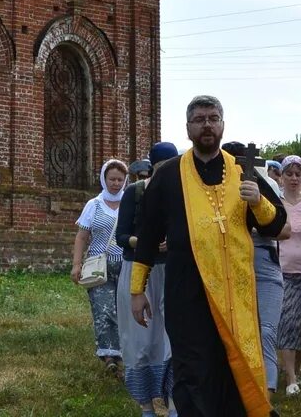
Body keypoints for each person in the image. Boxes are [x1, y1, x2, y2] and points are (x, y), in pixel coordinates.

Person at [131, 95, 287, 417]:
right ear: (188, 128)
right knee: (193, 370)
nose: (207, 125)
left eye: (213, 118)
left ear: (222, 125)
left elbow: (277, 226)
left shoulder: (243, 170)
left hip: (235, 295)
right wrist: (137, 290)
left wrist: (258, 201)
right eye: (199, 119)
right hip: (187, 292)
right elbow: (147, 235)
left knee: (235, 367)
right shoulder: (169, 175)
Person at [223, 140, 289, 404]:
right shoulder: (215, 191)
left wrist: (258, 217)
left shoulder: (267, 186)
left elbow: (285, 231)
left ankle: (266, 398)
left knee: (266, 331)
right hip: (229, 265)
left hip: (264, 265)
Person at [116, 142, 179, 417]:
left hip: (173, 273)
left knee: (174, 341)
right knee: (140, 341)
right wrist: (144, 242)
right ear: (153, 165)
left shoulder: (182, 193)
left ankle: (175, 403)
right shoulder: (135, 192)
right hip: (138, 271)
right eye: (163, 165)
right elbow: (121, 236)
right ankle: (146, 407)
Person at [72, 158, 128, 374]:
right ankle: (108, 356)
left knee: (123, 311)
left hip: (125, 265)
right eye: (112, 179)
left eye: (120, 180)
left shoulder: (130, 202)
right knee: (104, 310)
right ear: (104, 179)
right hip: (99, 265)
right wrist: (77, 264)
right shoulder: (93, 205)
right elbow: (82, 236)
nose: (115, 183)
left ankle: (123, 352)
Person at [277, 154, 301, 397]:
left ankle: (296, 369)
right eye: (289, 173)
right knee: (288, 322)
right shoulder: (276, 203)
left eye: (297, 173)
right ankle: (290, 377)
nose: (293, 178)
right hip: (285, 271)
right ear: (281, 177)